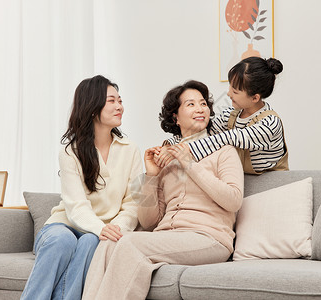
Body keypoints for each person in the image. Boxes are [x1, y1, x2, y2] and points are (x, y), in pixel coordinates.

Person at [82, 80, 244, 300]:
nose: (200, 109)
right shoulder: (166, 155)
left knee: (129, 243)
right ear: (175, 117)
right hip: (168, 235)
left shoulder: (224, 151)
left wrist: (189, 164)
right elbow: (148, 221)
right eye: (191, 104)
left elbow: (233, 200)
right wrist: (151, 176)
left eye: (203, 104)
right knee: (110, 241)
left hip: (209, 238)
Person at [21, 75, 142, 300]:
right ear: (93, 107)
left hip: (102, 233)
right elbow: (76, 207)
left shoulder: (130, 149)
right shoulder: (70, 152)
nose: (120, 107)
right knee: (63, 240)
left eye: (120, 100)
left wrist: (115, 228)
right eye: (112, 101)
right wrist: (101, 228)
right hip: (62, 227)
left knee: (90, 241)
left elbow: (134, 202)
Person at [157, 56, 288, 174]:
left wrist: (179, 152)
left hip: (271, 185)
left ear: (254, 98)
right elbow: (201, 134)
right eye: (230, 86)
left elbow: (227, 138)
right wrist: (169, 146)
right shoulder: (230, 115)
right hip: (237, 182)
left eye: (235, 91)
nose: (229, 94)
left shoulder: (270, 124)